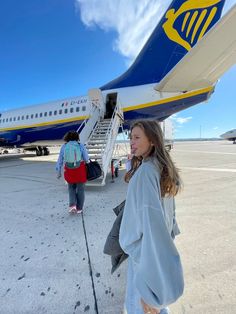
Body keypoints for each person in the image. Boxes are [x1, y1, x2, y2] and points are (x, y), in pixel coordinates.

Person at [119, 120, 184, 314]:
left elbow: (145, 223)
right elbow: (170, 218)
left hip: (145, 255)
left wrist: (135, 250)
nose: (132, 141)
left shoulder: (145, 173)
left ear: (153, 140)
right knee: (157, 306)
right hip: (157, 251)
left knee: (140, 306)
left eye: (137, 137)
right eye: (131, 137)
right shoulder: (162, 169)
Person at [56, 130, 89, 214]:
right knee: (80, 189)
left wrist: (58, 171)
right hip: (80, 170)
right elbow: (86, 158)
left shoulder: (64, 146)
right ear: (77, 137)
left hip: (69, 170)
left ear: (67, 137)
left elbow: (60, 159)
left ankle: (72, 205)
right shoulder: (80, 145)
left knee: (71, 188)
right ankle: (79, 208)